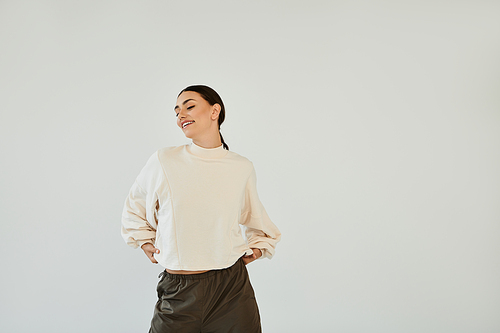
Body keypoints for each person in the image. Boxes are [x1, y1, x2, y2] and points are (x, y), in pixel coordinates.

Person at [121, 85, 281, 333]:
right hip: (179, 290)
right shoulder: (164, 160)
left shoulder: (241, 167)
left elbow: (255, 217)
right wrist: (144, 242)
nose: (180, 115)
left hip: (231, 289)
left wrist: (259, 248)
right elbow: (135, 208)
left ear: (214, 111)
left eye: (189, 106)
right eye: (176, 112)